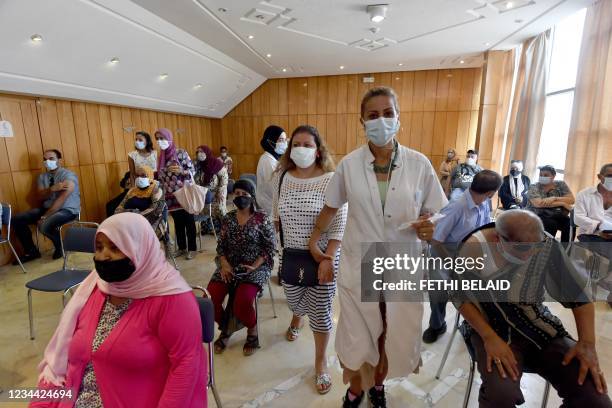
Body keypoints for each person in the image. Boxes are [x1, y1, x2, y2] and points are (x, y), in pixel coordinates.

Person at [309, 87, 447, 407]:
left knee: (389, 333)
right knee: (358, 336)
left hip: (401, 261)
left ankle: (379, 387)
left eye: (388, 113)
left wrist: (431, 225)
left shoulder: (419, 164)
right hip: (362, 261)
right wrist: (314, 239)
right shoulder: (349, 164)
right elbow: (331, 206)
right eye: (373, 115)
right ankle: (356, 388)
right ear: (362, 121)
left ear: (399, 118)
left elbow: (437, 212)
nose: (381, 120)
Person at [29, 213, 207, 408]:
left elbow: (186, 367)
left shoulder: (172, 299)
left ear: (139, 249)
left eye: (115, 248)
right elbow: (64, 362)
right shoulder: (96, 288)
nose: (104, 256)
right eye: (99, 247)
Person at [452, 209, 611, 408]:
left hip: (536, 324)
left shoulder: (545, 244)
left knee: (595, 397)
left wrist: (587, 343)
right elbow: (459, 297)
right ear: (496, 239)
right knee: (501, 395)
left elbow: (577, 294)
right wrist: (489, 337)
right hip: (490, 328)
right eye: (521, 249)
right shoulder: (473, 248)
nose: (530, 255)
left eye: (534, 248)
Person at [273, 125, 348, 395]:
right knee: (295, 301)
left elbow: (339, 221)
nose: (301, 149)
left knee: (320, 312)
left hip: (323, 256)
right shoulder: (282, 177)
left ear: (318, 151)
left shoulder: (331, 179)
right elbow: (276, 217)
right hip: (291, 255)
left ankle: (320, 362)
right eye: (296, 144)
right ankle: (296, 318)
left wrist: (330, 258)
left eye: (307, 144)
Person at [423, 170, 502, 344]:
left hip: (470, 256)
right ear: (491, 192)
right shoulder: (457, 207)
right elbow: (435, 240)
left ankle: (473, 325)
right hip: (444, 255)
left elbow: (484, 229)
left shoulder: (484, 203)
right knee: (438, 292)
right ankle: (436, 325)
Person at [207, 179, 276, 357]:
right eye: (237, 194)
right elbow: (221, 246)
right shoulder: (228, 218)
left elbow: (269, 249)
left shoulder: (262, 219)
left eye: (244, 194)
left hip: (256, 266)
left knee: (242, 302)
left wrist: (254, 266)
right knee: (210, 298)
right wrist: (224, 264)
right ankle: (227, 328)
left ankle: (252, 331)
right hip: (230, 265)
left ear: (252, 197)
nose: (240, 197)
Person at [12, 149, 80, 262]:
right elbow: (39, 196)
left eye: (51, 159)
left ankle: (60, 247)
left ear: (60, 160)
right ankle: (31, 251)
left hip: (67, 210)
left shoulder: (69, 175)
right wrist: (51, 189)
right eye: (45, 159)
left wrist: (45, 216)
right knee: (16, 219)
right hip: (47, 208)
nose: (47, 161)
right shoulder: (42, 177)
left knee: (44, 225)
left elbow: (61, 199)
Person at [155, 128, 197, 260]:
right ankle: (182, 247)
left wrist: (181, 170)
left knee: (188, 221)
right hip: (170, 196)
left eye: (162, 138)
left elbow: (192, 170)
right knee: (178, 222)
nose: (159, 141)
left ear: (169, 138)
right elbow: (161, 176)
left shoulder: (180, 153)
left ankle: (192, 249)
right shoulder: (161, 156)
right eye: (157, 138)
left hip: (183, 192)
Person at [114, 165, 166, 239]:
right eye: (137, 175)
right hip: (129, 224)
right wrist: (131, 213)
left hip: (148, 224)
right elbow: (118, 209)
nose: (139, 178)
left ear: (150, 176)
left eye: (143, 176)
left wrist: (135, 217)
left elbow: (155, 210)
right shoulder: (132, 191)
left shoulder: (156, 189)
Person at [527, 165, 575, 242]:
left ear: (553, 176)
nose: (542, 177)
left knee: (570, 224)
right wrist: (562, 204)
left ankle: (565, 251)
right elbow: (538, 204)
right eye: (540, 175)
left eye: (546, 175)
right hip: (537, 214)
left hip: (557, 214)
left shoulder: (561, 184)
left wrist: (554, 198)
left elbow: (571, 200)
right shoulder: (534, 187)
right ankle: (545, 249)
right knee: (551, 224)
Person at [574, 163, 612, 244]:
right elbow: (578, 218)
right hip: (590, 234)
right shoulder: (584, 194)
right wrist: (599, 226)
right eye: (609, 176)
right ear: (599, 176)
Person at [194, 145, 228, 233]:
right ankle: (208, 228)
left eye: (202, 151)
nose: (199, 154)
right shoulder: (198, 165)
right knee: (205, 209)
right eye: (198, 152)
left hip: (218, 190)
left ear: (207, 152)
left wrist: (220, 191)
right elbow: (196, 179)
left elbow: (224, 178)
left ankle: (224, 229)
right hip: (204, 192)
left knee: (219, 208)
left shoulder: (216, 163)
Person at [256, 125, 287, 215]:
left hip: (274, 205)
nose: (284, 143)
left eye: (285, 140)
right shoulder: (267, 161)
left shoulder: (275, 158)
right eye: (281, 140)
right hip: (269, 207)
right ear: (271, 141)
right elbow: (274, 187)